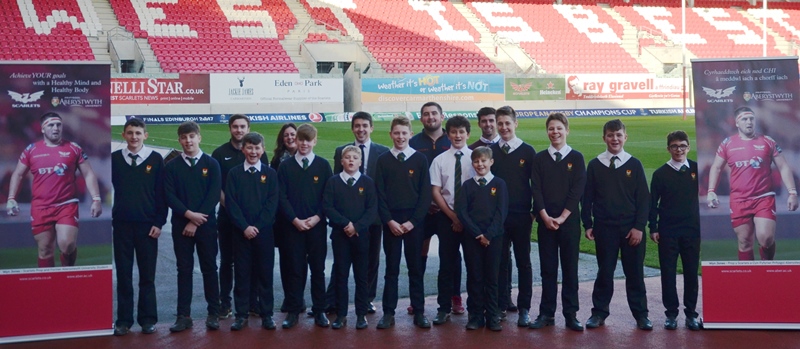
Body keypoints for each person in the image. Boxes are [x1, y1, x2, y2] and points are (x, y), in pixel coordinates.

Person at [6, 112, 102, 268]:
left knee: (67, 244)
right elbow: (17, 174)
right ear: (43, 129)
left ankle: (67, 274)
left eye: (58, 125)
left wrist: (96, 199)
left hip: (66, 204)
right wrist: (11, 198)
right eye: (51, 125)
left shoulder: (73, 148)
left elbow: (88, 173)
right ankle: (48, 285)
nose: (56, 128)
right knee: (45, 250)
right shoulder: (31, 150)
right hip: (40, 207)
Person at [581, 119, 651, 330]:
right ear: (604, 138)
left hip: (631, 230)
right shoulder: (595, 164)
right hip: (605, 228)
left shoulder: (634, 164)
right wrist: (588, 224)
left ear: (625, 137)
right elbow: (587, 198)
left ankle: (641, 315)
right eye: (610, 135)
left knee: (635, 274)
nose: (615, 139)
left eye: (618, 135)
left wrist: (639, 227)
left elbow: (644, 200)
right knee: (605, 272)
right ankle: (599, 313)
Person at [707, 106, 798, 260]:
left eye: (751, 118)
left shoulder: (767, 141)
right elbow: (716, 167)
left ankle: (766, 267)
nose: (749, 122)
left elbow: (783, 166)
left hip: (764, 197)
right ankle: (748, 278)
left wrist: (792, 192)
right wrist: (711, 191)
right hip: (739, 200)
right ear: (737, 123)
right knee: (744, 242)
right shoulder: (727, 144)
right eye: (744, 119)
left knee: (766, 238)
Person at [325, 112, 389, 315]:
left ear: (371, 128)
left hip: (372, 216)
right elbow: (337, 183)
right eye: (357, 125)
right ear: (352, 128)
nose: (361, 129)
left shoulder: (382, 151)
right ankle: (333, 300)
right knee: (340, 262)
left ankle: (367, 299)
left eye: (365, 125)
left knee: (371, 260)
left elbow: (382, 187)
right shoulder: (341, 151)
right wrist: (345, 221)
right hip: (345, 219)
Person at [529, 112, 586, 332]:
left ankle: (571, 314)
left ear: (567, 130)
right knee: (548, 269)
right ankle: (547, 313)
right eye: (551, 129)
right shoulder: (540, 158)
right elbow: (536, 189)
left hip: (569, 223)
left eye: (559, 128)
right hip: (546, 223)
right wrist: (544, 215)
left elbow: (577, 190)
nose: (555, 132)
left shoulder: (577, 157)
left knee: (570, 269)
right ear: (547, 131)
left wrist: (562, 217)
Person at [164, 121, 222, 332]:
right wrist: (188, 216)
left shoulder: (212, 163)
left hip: (206, 226)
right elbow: (169, 196)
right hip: (181, 226)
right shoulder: (171, 166)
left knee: (209, 268)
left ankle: (213, 313)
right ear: (179, 140)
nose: (188, 141)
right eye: (184, 137)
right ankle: (183, 315)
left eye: (191, 136)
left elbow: (214, 195)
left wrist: (195, 221)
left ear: (199, 137)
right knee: (184, 270)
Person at [111, 118, 167, 336]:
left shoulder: (156, 159)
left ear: (146, 135)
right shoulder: (114, 159)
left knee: (147, 276)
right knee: (124, 275)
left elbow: (161, 194)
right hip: (122, 225)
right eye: (130, 132)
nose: (134, 136)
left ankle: (148, 319)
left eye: (138, 133)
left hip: (147, 227)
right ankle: (124, 320)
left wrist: (159, 222)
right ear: (123, 135)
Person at [375, 116, 432, 329]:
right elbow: (379, 194)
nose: (400, 137)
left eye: (404, 133)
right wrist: (389, 220)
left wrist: (412, 222)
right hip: (391, 222)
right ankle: (388, 313)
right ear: (391, 134)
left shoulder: (419, 160)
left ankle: (419, 311)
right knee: (391, 268)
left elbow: (425, 195)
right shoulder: (383, 160)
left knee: (416, 268)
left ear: (410, 134)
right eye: (396, 133)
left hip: (413, 223)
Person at [408, 102, 464, 316]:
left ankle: (455, 296)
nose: (430, 117)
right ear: (421, 118)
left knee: (451, 254)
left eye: (434, 113)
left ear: (442, 116)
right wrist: (424, 204)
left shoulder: (451, 140)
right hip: (422, 211)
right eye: (425, 114)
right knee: (418, 252)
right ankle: (417, 298)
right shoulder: (413, 142)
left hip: (447, 210)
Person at [211, 114, 268, 319]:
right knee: (227, 261)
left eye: (242, 126)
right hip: (229, 218)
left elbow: (265, 184)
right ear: (230, 128)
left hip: (252, 221)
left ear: (248, 127)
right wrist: (234, 211)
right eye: (235, 126)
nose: (239, 130)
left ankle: (253, 303)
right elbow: (217, 186)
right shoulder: (219, 153)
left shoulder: (258, 151)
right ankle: (224, 303)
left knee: (252, 262)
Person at [277, 124, 333, 329]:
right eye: (301, 139)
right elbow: (281, 197)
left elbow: (328, 196)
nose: (304, 143)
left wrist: (318, 218)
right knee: (294, 270)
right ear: (296, 140)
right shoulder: (285, 166)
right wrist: (294, 220)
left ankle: (320, 310)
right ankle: (293, 311)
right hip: (293, 227)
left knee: (318, 270)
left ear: (314, 141)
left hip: (316, 227)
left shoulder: (323, 165)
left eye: (308, 140)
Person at [225, 132, 279, 331]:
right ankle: (241, 314)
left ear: (263, 149)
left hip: (264, 233)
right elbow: (231, 203)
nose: (253, 152)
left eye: (257, 148)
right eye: (249, 147)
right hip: (241, 233)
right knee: (242, 274)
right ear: (243, 149)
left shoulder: (270, 174)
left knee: (265, 274)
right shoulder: (234, 173)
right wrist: (245, 227)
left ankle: (267, 314)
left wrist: (258, 226)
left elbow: (272, 203)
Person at [649, 130, 702, 331]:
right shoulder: (660, 174)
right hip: (668, 231)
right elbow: (652, 204)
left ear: (688, 147)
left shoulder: (698, 170)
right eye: (674, 146)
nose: (678, 149)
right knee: (668, 274)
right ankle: (671, 314)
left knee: (691, 273)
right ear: (668, 148)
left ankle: (691, 314)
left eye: (682, 146)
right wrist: (653, 227)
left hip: (692, 231)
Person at [489, 106, 535, 326]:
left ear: (515, 123)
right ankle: (500, 304)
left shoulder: (528, 151)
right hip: (498, 217)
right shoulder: (491, 153)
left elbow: (536, 185)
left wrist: (534, 211)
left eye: (508, 123)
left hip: (522, 216)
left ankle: (524, 307)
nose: (504, 127)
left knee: (523, 261)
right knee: (500, 261)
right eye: (500, 123)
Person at [323, 145, 378, 329]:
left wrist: (357, 226)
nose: (351, 160)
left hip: (361, 236)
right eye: (348, 157)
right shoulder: (333, 182)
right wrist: (345, 224)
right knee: (341, 276)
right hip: (340, 237)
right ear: (342, 161)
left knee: (362, 276)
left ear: (360, 162)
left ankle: (361, 314)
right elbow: (328, 207)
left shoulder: (367, 182)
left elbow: (372, 209)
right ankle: (341, 314)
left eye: (355, 157)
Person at [468, 106, 515, 312]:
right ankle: (480, 307)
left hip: (503, 213)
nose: (489, 124)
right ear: (479, 123)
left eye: (491, 121)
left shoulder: (504, 146)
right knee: (478, 268)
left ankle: (503, 300)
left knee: (503, 259)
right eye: (484, 121)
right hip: (479, 221)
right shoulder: (474, 149)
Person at [456, 146, 508, 331]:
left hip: (494, 238)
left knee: (492, 278)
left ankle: (492, 315)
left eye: (483, 160)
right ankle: (476, 315)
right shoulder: (467, 185)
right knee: (475, 277)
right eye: (476, 161)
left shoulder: (499, 184)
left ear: (491, 162)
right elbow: (462, 211)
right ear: (473, 163)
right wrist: (477, 233)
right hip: (472, 238)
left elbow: (501, 213)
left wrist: (488, 235)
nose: (480, 164)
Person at [429, 115, 475, 325]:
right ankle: (444, 307)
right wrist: (453, 216)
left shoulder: (476, 158)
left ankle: (476, 307)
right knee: (446, 264)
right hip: (446, 217)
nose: (457, 136)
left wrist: (465, 218)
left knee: (474, 264)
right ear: (447, 135)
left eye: (461, 132)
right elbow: (436, 192)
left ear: (468, 134)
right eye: (453, 132)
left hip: (472, 219)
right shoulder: (439, 160)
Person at [269, 123, 302, 314]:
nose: (290, 138)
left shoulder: (307, 160)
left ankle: (298, 299)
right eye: (286, 135)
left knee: (301, 261)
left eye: (293, 134)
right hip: (283, 219)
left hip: (303, 217)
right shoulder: (276, 160)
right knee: (286, 260)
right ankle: (290, 298)